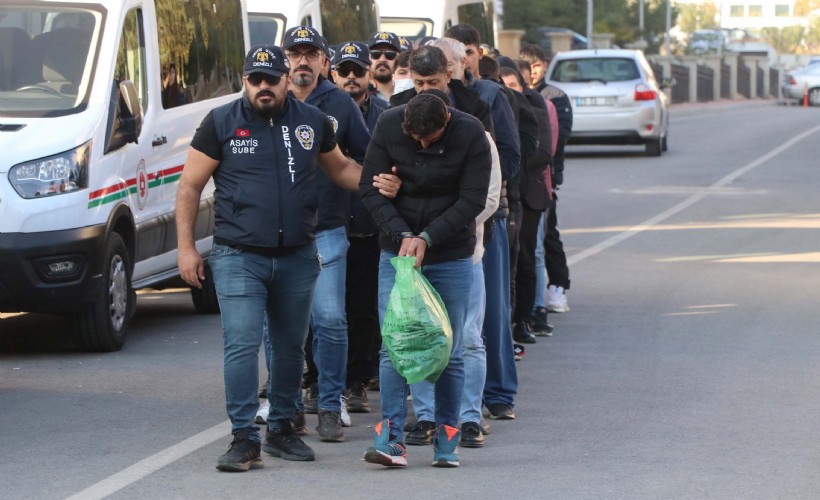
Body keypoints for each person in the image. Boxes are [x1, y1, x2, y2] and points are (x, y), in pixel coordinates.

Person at [176, 44, 362, 472]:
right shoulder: (221, 121)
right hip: (239, 255)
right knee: (241, 345)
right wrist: (187, 248)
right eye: (254, 79)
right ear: (244, 81)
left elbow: (341, 169)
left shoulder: (313, 121)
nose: (263, 87)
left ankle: (280, 430)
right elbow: (189, 187)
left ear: (287, 80)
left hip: (298, 255)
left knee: (289, 349)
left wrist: (383, 181)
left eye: (271, 79)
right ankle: (244, 437)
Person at [360, 91, 491, 468]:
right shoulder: (388, 124)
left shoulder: (471, 134)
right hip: (397, 250)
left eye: (429, 139)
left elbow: (472, 201)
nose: (421, 145)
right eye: (414, 139)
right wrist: (403, 235)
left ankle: (447, 441)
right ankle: (390, 440)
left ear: (446, 121)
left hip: (449, 254)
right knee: (394, 345)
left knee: (446, 348)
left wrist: (427, 237)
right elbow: (369, 189)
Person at [282, 25, 372, 443]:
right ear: (285, 59)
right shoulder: (266, 99)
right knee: (281, 325)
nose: (302, 61)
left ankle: (331, 405)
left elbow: (365, 157)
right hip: (276, 233)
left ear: (324, 61)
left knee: (331, 320)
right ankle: (286, 405)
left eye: (310, 53)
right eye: (295, 53)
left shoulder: (339, 103)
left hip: (328, 229)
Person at [330, 41, 390, 414]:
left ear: (369, 75)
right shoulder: (316, 112)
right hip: (330, 223)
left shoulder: (384, 115)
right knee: (325, 312)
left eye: (358, 71)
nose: (351, 78)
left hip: (368, 225)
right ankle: (315, 377)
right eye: (344, 71)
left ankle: (357, 381)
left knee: (363, 310)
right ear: (332, 73)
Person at [519, 44, 572, 314]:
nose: (534, 71)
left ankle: (559, 285)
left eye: (537, 65)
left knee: (548, 235)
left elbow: (557, 139)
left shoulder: (555, 97)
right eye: (529, 66)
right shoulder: (515, 94)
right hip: (525, 181)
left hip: (546, 179)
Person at [367, 31, 402, 102]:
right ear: (368, 58)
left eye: (390, 54)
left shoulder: (408, 93)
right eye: (375, 54)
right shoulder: (360, 95)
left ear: (398, 59)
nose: (382, 60)